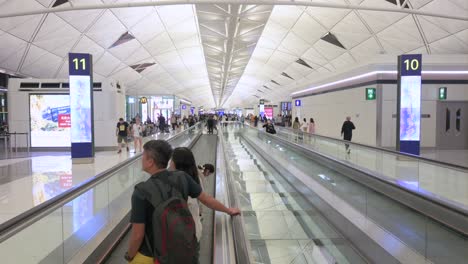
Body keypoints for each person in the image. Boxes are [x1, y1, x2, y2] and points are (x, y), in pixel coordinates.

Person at [126, 140, 240, 264]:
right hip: (179, 247)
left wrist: (129, 256)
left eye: (143, 156)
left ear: (150, 162)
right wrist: (228, 210)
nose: (141, 159)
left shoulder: (141, 191)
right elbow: (207, 199)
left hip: (151, 255)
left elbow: (137, 235)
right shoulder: (182, 177)